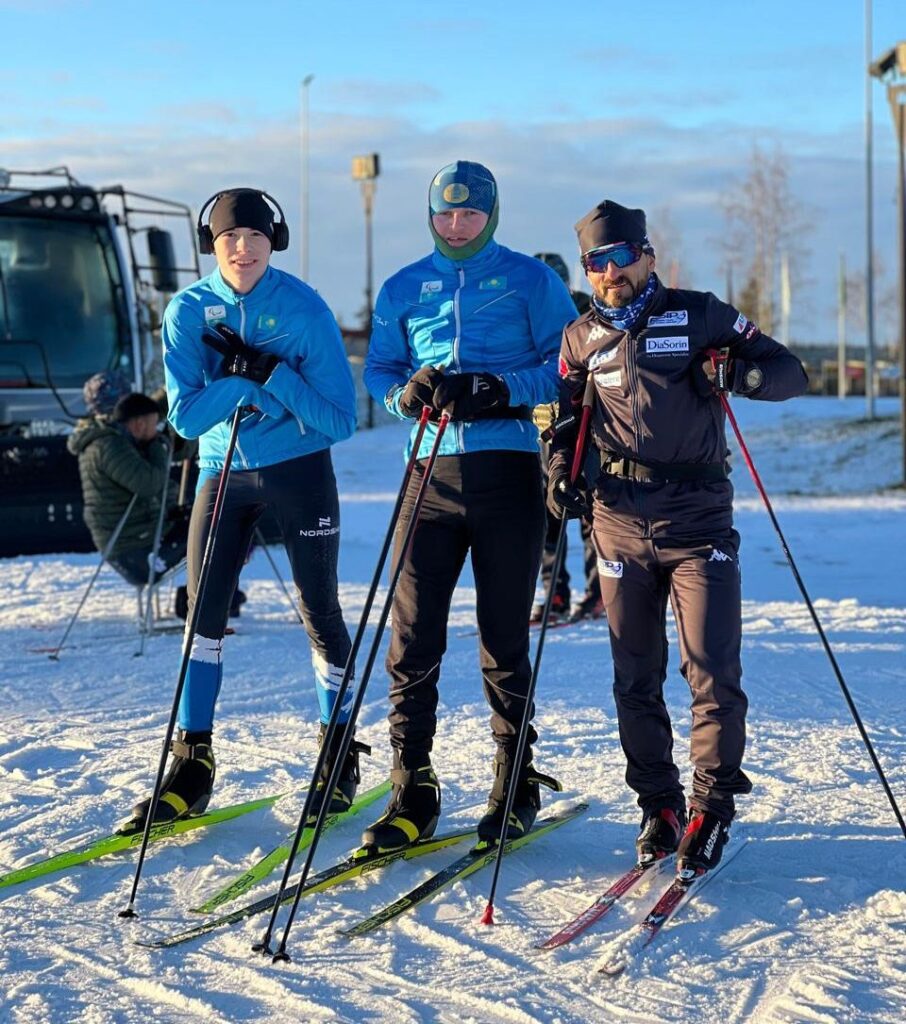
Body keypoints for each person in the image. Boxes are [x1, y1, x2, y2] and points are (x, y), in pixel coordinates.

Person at [548, 200, 808, 877]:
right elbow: (567, 425)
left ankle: (711, 808)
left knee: (709, 667)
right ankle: (659, 806)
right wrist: (559, 473)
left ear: (647, 255)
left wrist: (739, 375)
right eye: (596, 263)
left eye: (621, 256)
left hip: (697, 520)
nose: (610, 272)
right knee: (634, 676)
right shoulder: (579, 338)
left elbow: (790, 372)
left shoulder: (700, 315)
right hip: (617, 523)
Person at [126, 187, 361, 829]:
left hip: (298, 469)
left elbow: (339, 419)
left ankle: (338, 756)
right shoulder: (188, 310)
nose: (243, 247)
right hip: (222, 469)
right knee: (202, 614)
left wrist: (272, 374)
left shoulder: (304, 308)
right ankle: (191, 763)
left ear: (272, 241)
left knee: (319, 610)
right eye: (230, 237)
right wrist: (236, 380)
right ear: (213, 243)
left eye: (256, 236)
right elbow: (183, 415)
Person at [361, 160, 577, 852]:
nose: (457, 227)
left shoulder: (529, 280)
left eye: (470, 215)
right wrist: (407, 393)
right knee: (412, 633)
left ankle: (513, 778)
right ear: (430, 216)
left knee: (502, 634)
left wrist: (498, 387)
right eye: (445, 215)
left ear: (492, 215)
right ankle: (412, 786)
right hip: (428, 474)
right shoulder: (404, 286)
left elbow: (568, 362)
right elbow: (380, 371)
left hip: (507, 470)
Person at [530, 253, 602, 625]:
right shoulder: (524, 311)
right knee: (548, 511)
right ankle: (556, 590)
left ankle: (598, 591)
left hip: (586, 422)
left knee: (589, 507)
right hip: (543, 424)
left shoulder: (585, 311)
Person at [68, 390, 188, 585]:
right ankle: (210, 603)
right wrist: (155, 444)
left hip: (130, 541)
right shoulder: (109, 446)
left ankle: (202, 599)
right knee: (210, 531)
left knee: (201, 522)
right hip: (134, 551)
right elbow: (150, 484)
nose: (156, 431)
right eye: (154, 424)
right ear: (139, 423)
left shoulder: (110, 441)